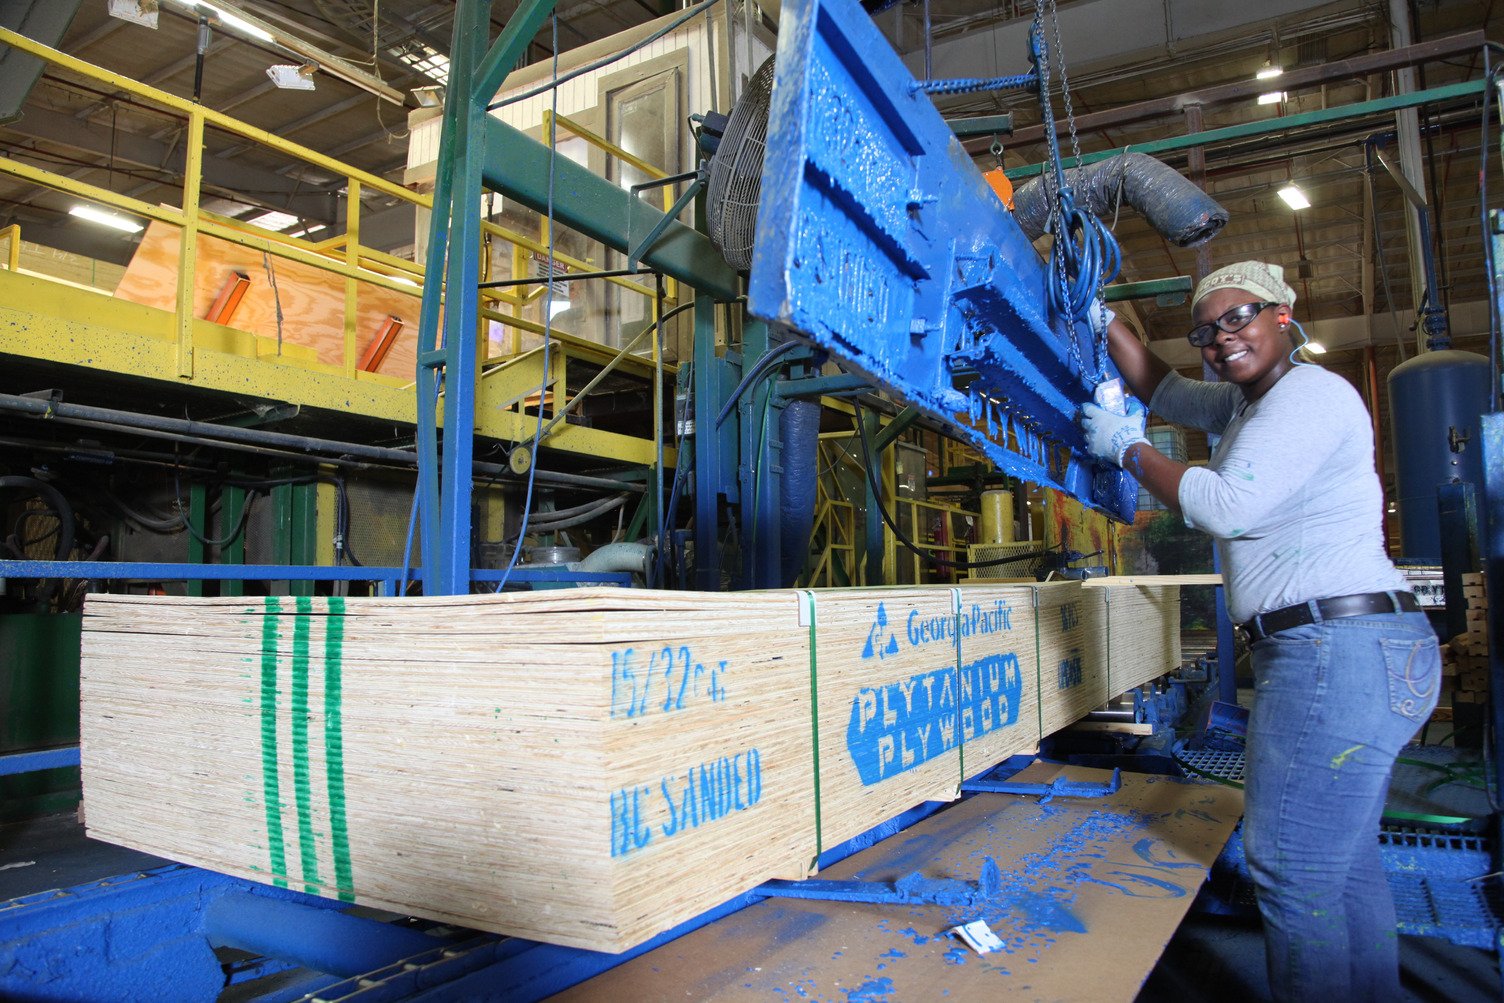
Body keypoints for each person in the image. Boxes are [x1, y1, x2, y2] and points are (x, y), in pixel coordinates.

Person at [1079, 261, 1441, 1002]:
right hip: (1357, 648)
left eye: (1238, 318)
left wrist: (1129, 450)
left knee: (1289, 865)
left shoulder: (1305, 396)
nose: (1221, 339)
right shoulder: (1250, 405)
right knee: (1342, 861)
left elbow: (1225, 506)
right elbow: (1167, 389)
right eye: (1206, 331)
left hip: (1334, 653)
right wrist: (1099, 319)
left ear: (1283, 315)